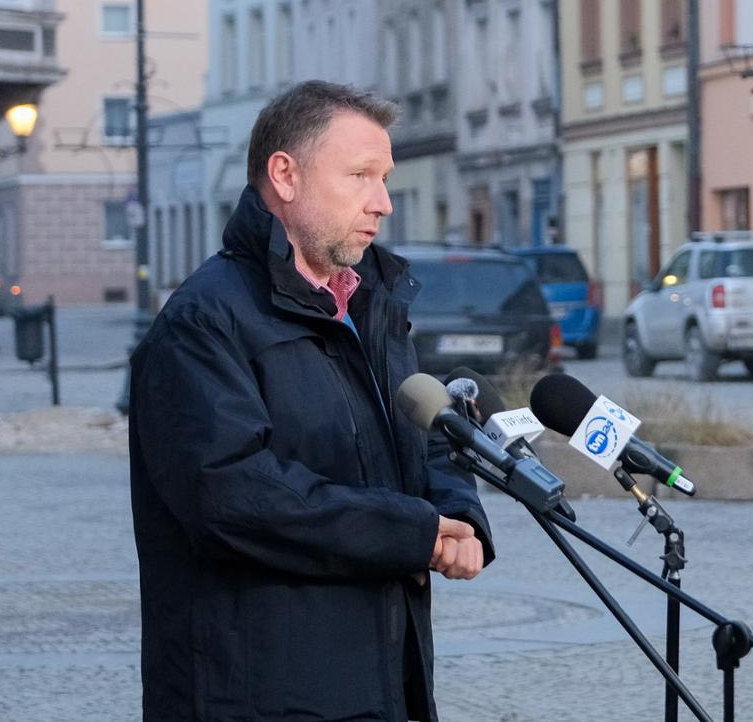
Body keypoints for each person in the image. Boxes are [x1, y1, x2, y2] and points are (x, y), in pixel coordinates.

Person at [128, 81, 493, 721]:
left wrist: (459, 514)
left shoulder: (372, 304)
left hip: (380, 685)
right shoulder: (203, 322)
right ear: (285, 175)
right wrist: (413, 533)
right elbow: (234, 498)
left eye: (384, 178)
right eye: (360, 175)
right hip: (259, 694)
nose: (382, 203)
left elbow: (424, 429)